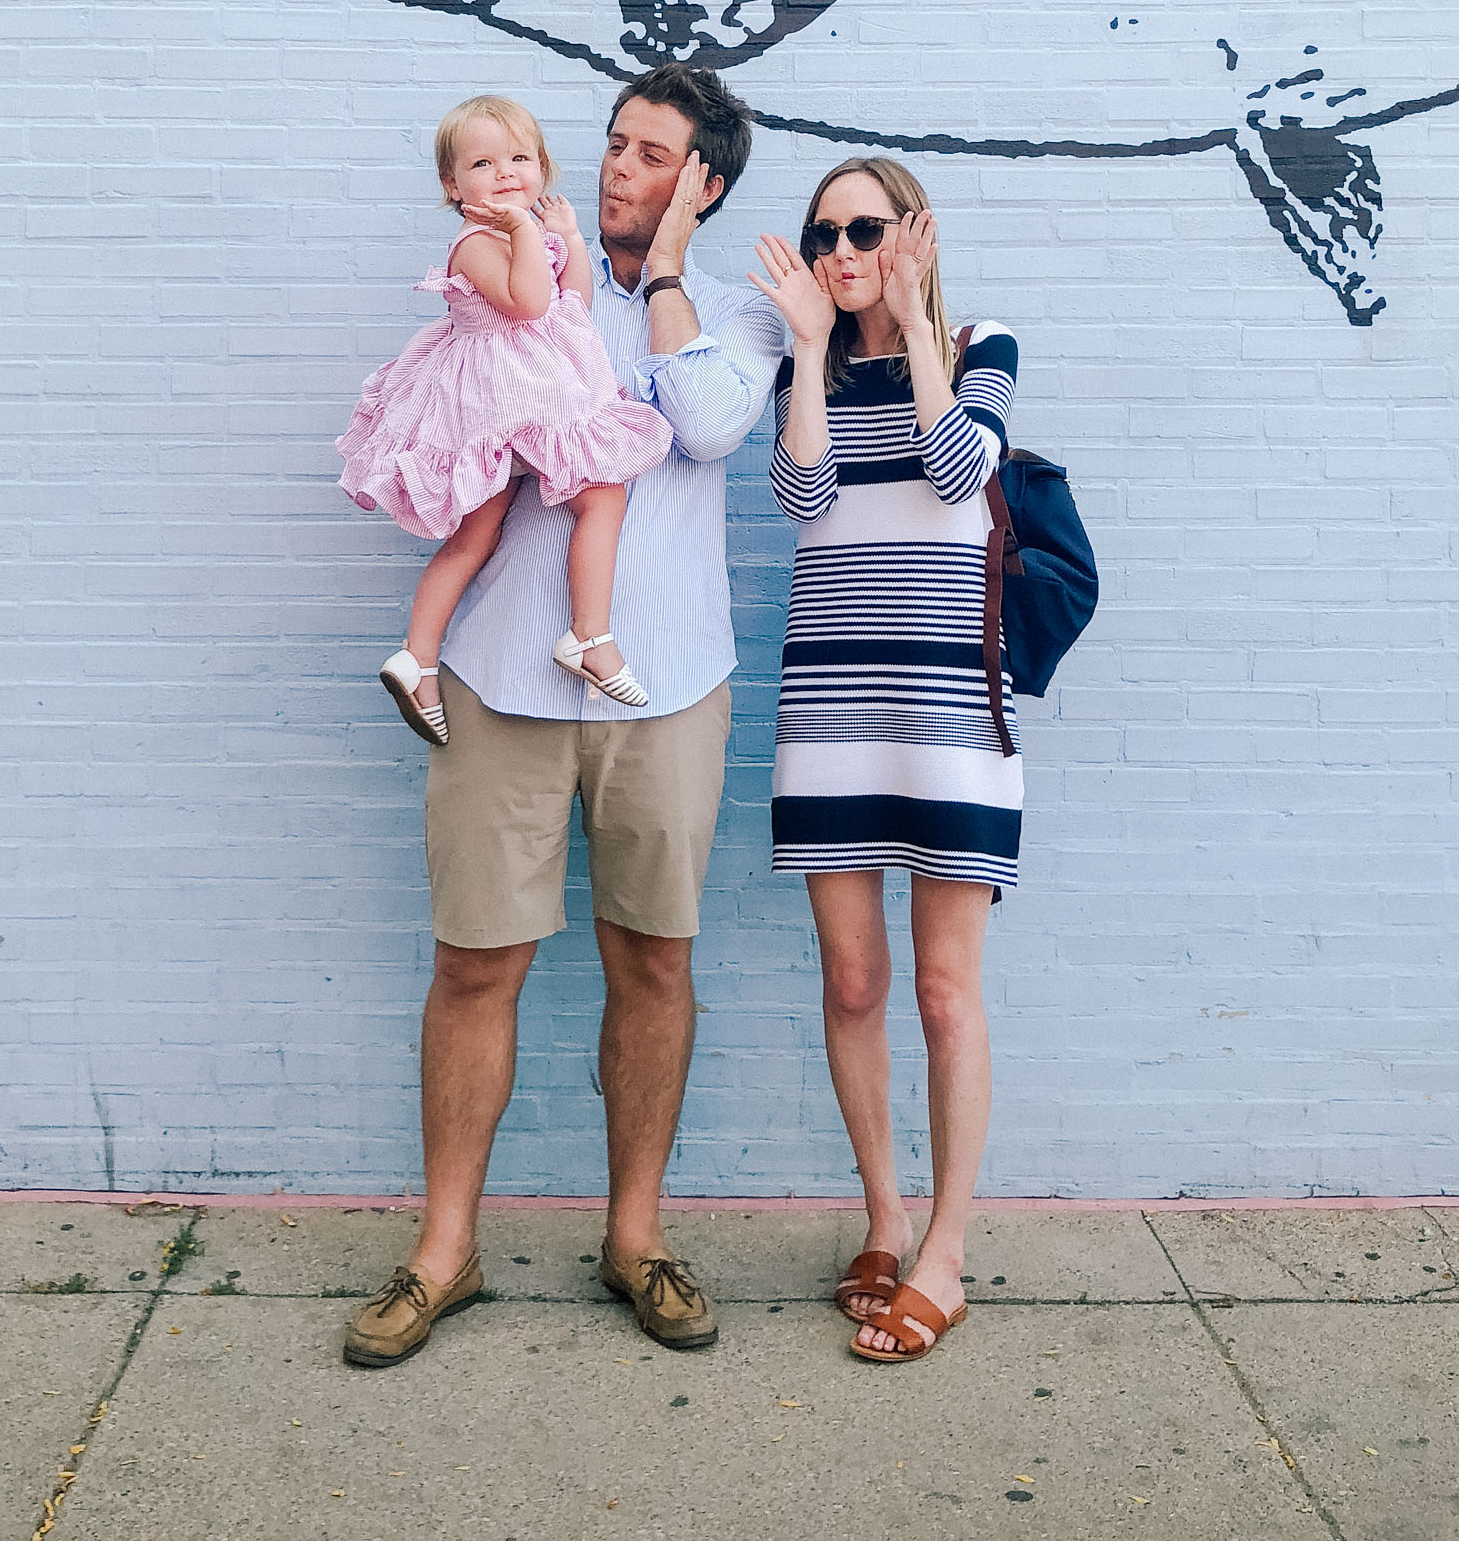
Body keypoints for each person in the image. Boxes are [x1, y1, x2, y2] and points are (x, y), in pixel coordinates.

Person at [342, 66, 785, 1371]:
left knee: (654, 961)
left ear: (703, 182)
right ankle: (445, 1252)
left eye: (653, 156)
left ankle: (634, 1240)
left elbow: (702, 425)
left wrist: (667, 274)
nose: (614, 169)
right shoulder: (530, 285)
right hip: (503, 685)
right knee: (477, 964)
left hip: (671, 686)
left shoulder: (738, 319)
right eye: (612, 145)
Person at [747, 156, 1021, 1367]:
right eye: (825, 233)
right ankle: (883, 1219)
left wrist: (913, 326)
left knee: (942, 991)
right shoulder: (798, 360)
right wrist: (809, 349)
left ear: (912, 230)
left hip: (950, 713)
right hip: (831, 707)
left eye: (866, 227)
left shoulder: (982, 341)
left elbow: (960, 471)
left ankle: (946, 1258)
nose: (843, 248)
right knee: (853, 983)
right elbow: (800, 493)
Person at [338, 94, 674, 742]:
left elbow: (571, 304)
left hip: (527, 393)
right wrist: (525, 232)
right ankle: (573, 638)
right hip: (504, 401)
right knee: (554, 511)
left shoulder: (527, 236)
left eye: (520, 158)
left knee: (530, 519)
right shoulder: (473, 243)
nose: (506, 173)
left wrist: (569, 239)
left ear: (543, 169)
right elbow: (526, 305)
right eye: (484, 163)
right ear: (453, 184)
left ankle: (434, 657)